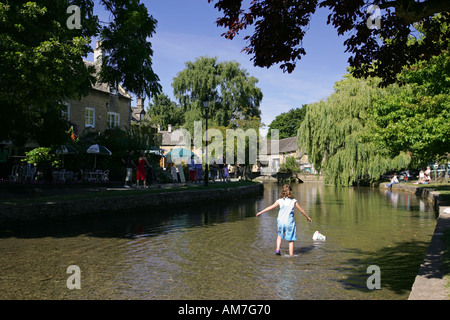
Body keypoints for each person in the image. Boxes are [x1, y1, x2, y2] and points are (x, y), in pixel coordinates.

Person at [256, 184, 312, 256]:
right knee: (290, 240)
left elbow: (271, 207)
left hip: (281, 222)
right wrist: (307, 217)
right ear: (290, 192)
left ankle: (277, 250)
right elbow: (301, 210)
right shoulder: (294, 201)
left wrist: (261, 212)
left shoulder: (280, 201)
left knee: (279, 235)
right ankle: (291, 256)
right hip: (289, 222)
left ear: (283, 192)